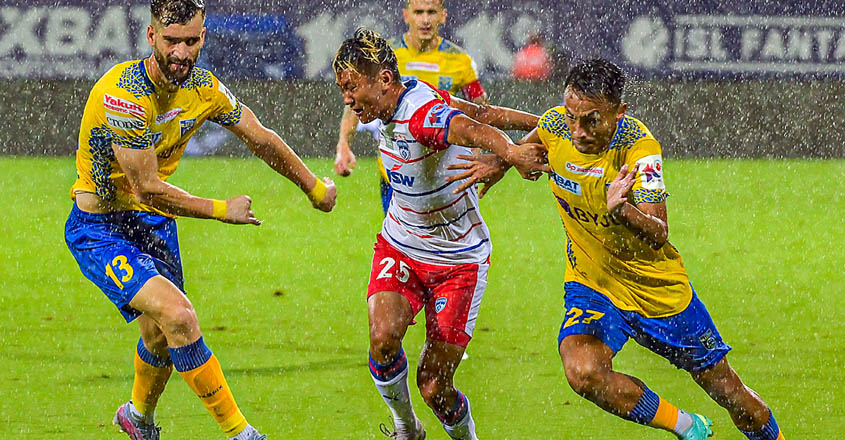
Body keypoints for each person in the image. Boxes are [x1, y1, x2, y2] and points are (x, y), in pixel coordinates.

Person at [447, 58, 785, 440]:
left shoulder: (640, 150)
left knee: (730, 394)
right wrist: (502, 160)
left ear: (619, 112)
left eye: (591, 120)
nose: (579, 131)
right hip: (593, 282)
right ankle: (687, 426)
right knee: (583, 371)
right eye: (572, 117)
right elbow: (523, 136)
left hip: (656, 292)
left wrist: (622, 210)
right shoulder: (557, 126)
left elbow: (659, 232)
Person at [63, 1, 337, 439]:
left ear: (203, 37)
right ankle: (242, 434)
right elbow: (146, 188)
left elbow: (260, 138)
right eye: (171, 41)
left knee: (159, 336)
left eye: (191, 41)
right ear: (151, 36)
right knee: (179, 317)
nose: (181, 53)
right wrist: (221, 209)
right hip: (102, 229)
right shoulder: (124, 95)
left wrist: (313, 188)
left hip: (154, 225)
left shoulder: (205, 88)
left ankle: (137, 419)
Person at [332, 28, 547, 440]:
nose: (347, 99)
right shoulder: (411, 92)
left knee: (434, 386)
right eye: (343, 89)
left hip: (457, 262)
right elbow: (482, 114)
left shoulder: (420, 116)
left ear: (384, 80)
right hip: (401, 244)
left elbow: (472, 129)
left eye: (352, 87)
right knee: (382, 338)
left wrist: (512, 152)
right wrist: (544, 124)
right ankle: (406, 428)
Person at [334, 0, 488, 214]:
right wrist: (343, 145)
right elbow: (358, 99)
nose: (425, 20)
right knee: (404, 234)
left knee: (448, 235)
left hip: (445, 174)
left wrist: (476, 157)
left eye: (431, 12)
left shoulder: (461, 61)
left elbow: (480, 112)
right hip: (397, 173)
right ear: (406, 16)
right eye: (418, 12)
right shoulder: (384, 56)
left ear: (443, 16)